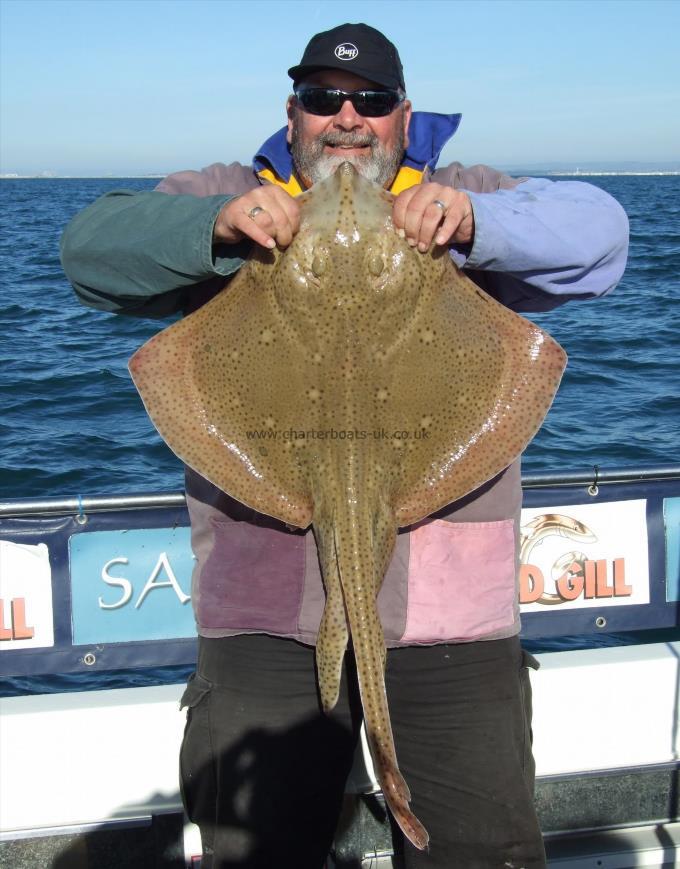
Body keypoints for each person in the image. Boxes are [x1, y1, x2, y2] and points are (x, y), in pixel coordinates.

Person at [60, 22, 629, 869]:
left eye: (371, 101)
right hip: (264, 626)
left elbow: (602, 234)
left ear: (404, 116)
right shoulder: (221, 192)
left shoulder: (466, 192)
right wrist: (215, 227)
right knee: (261, 853)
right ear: (292, 115)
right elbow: (88, 250)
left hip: (454, 626)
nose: (348, 118)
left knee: (476, 852)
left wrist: (477, 220)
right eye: (324, 99)